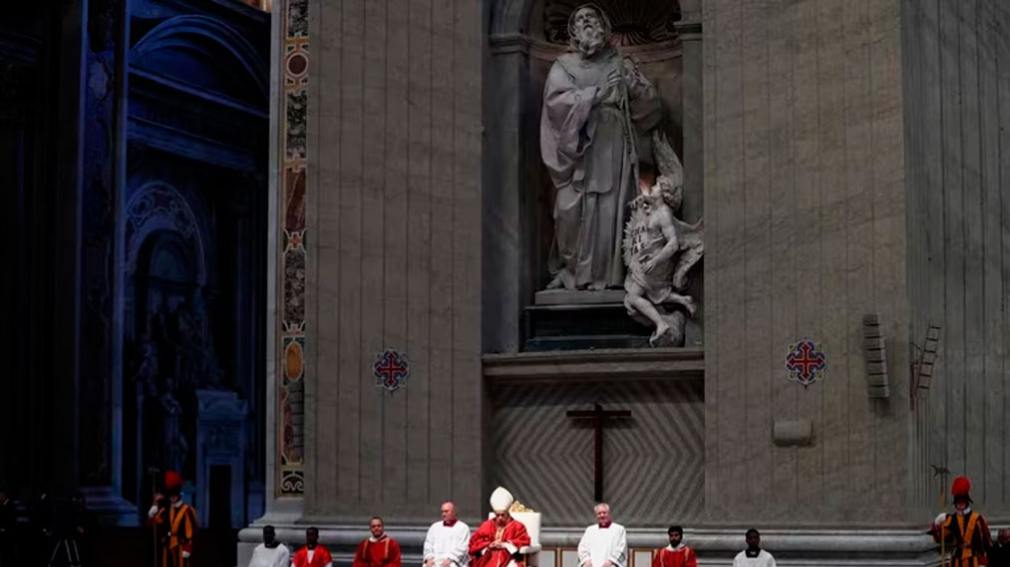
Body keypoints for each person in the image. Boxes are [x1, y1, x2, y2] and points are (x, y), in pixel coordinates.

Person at [540, 3, 663, 291]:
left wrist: (633, 87)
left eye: (591, 18)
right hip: (580, 150)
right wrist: (593, 96)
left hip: (614, 144)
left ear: (604, 25)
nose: (586, 23)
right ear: (572, 29)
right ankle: (572, 272)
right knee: (568, 211)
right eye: (580, 19)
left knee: (612, 209)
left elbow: (652, 109)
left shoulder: (621, 63)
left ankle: (614, 276)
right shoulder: (563, 67)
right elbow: (555, 106)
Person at [930, 476, 992, 567]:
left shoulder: (977, 519)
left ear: (967, 502)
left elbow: (985, 542)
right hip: (956, 560)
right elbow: (942, 538)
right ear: (955, 503)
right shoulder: (951, 519)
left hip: (973, 560)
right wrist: (937, 524)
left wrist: (983, 562)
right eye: (958, 501)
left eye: (963, 501)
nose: (960, 504)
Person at [469, 487, 531, 567]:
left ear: (508, 514)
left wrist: (505, 544)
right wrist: (489, 544)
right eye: (497, 515)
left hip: (509, 556)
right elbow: (474, 542)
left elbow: (524, 541)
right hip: (488, 556)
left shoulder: (517, 526)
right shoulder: (487, 525)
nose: (500, 518)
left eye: (503, 515)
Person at [147, 470, 197, 567]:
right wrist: (153, 508)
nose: (173, 497)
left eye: (175, 494)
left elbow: (191, 532)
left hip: (180, 546)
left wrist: (188, 547)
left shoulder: (187, 510)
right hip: (167, 545)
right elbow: (152, 523)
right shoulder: (165, 510)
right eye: (171, 495)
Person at [577, 503, 627, 567]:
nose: (602, 515)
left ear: (609, 514)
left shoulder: (619, 529)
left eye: (604, 513)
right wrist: (586, 560)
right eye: (599, 513)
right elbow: (582, 548)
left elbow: (621, 548)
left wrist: (610, 561)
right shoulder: (590, 530)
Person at [423, 502, 470, 567]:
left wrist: (451, 559)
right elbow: (428, 544)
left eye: (446, 511)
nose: (444, 514)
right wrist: (429, 558)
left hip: (452, 561)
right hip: (435, 560)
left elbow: (463, 547)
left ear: (454, 512)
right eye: (442, 512)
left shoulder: (463, 528)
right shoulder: (435, 527)